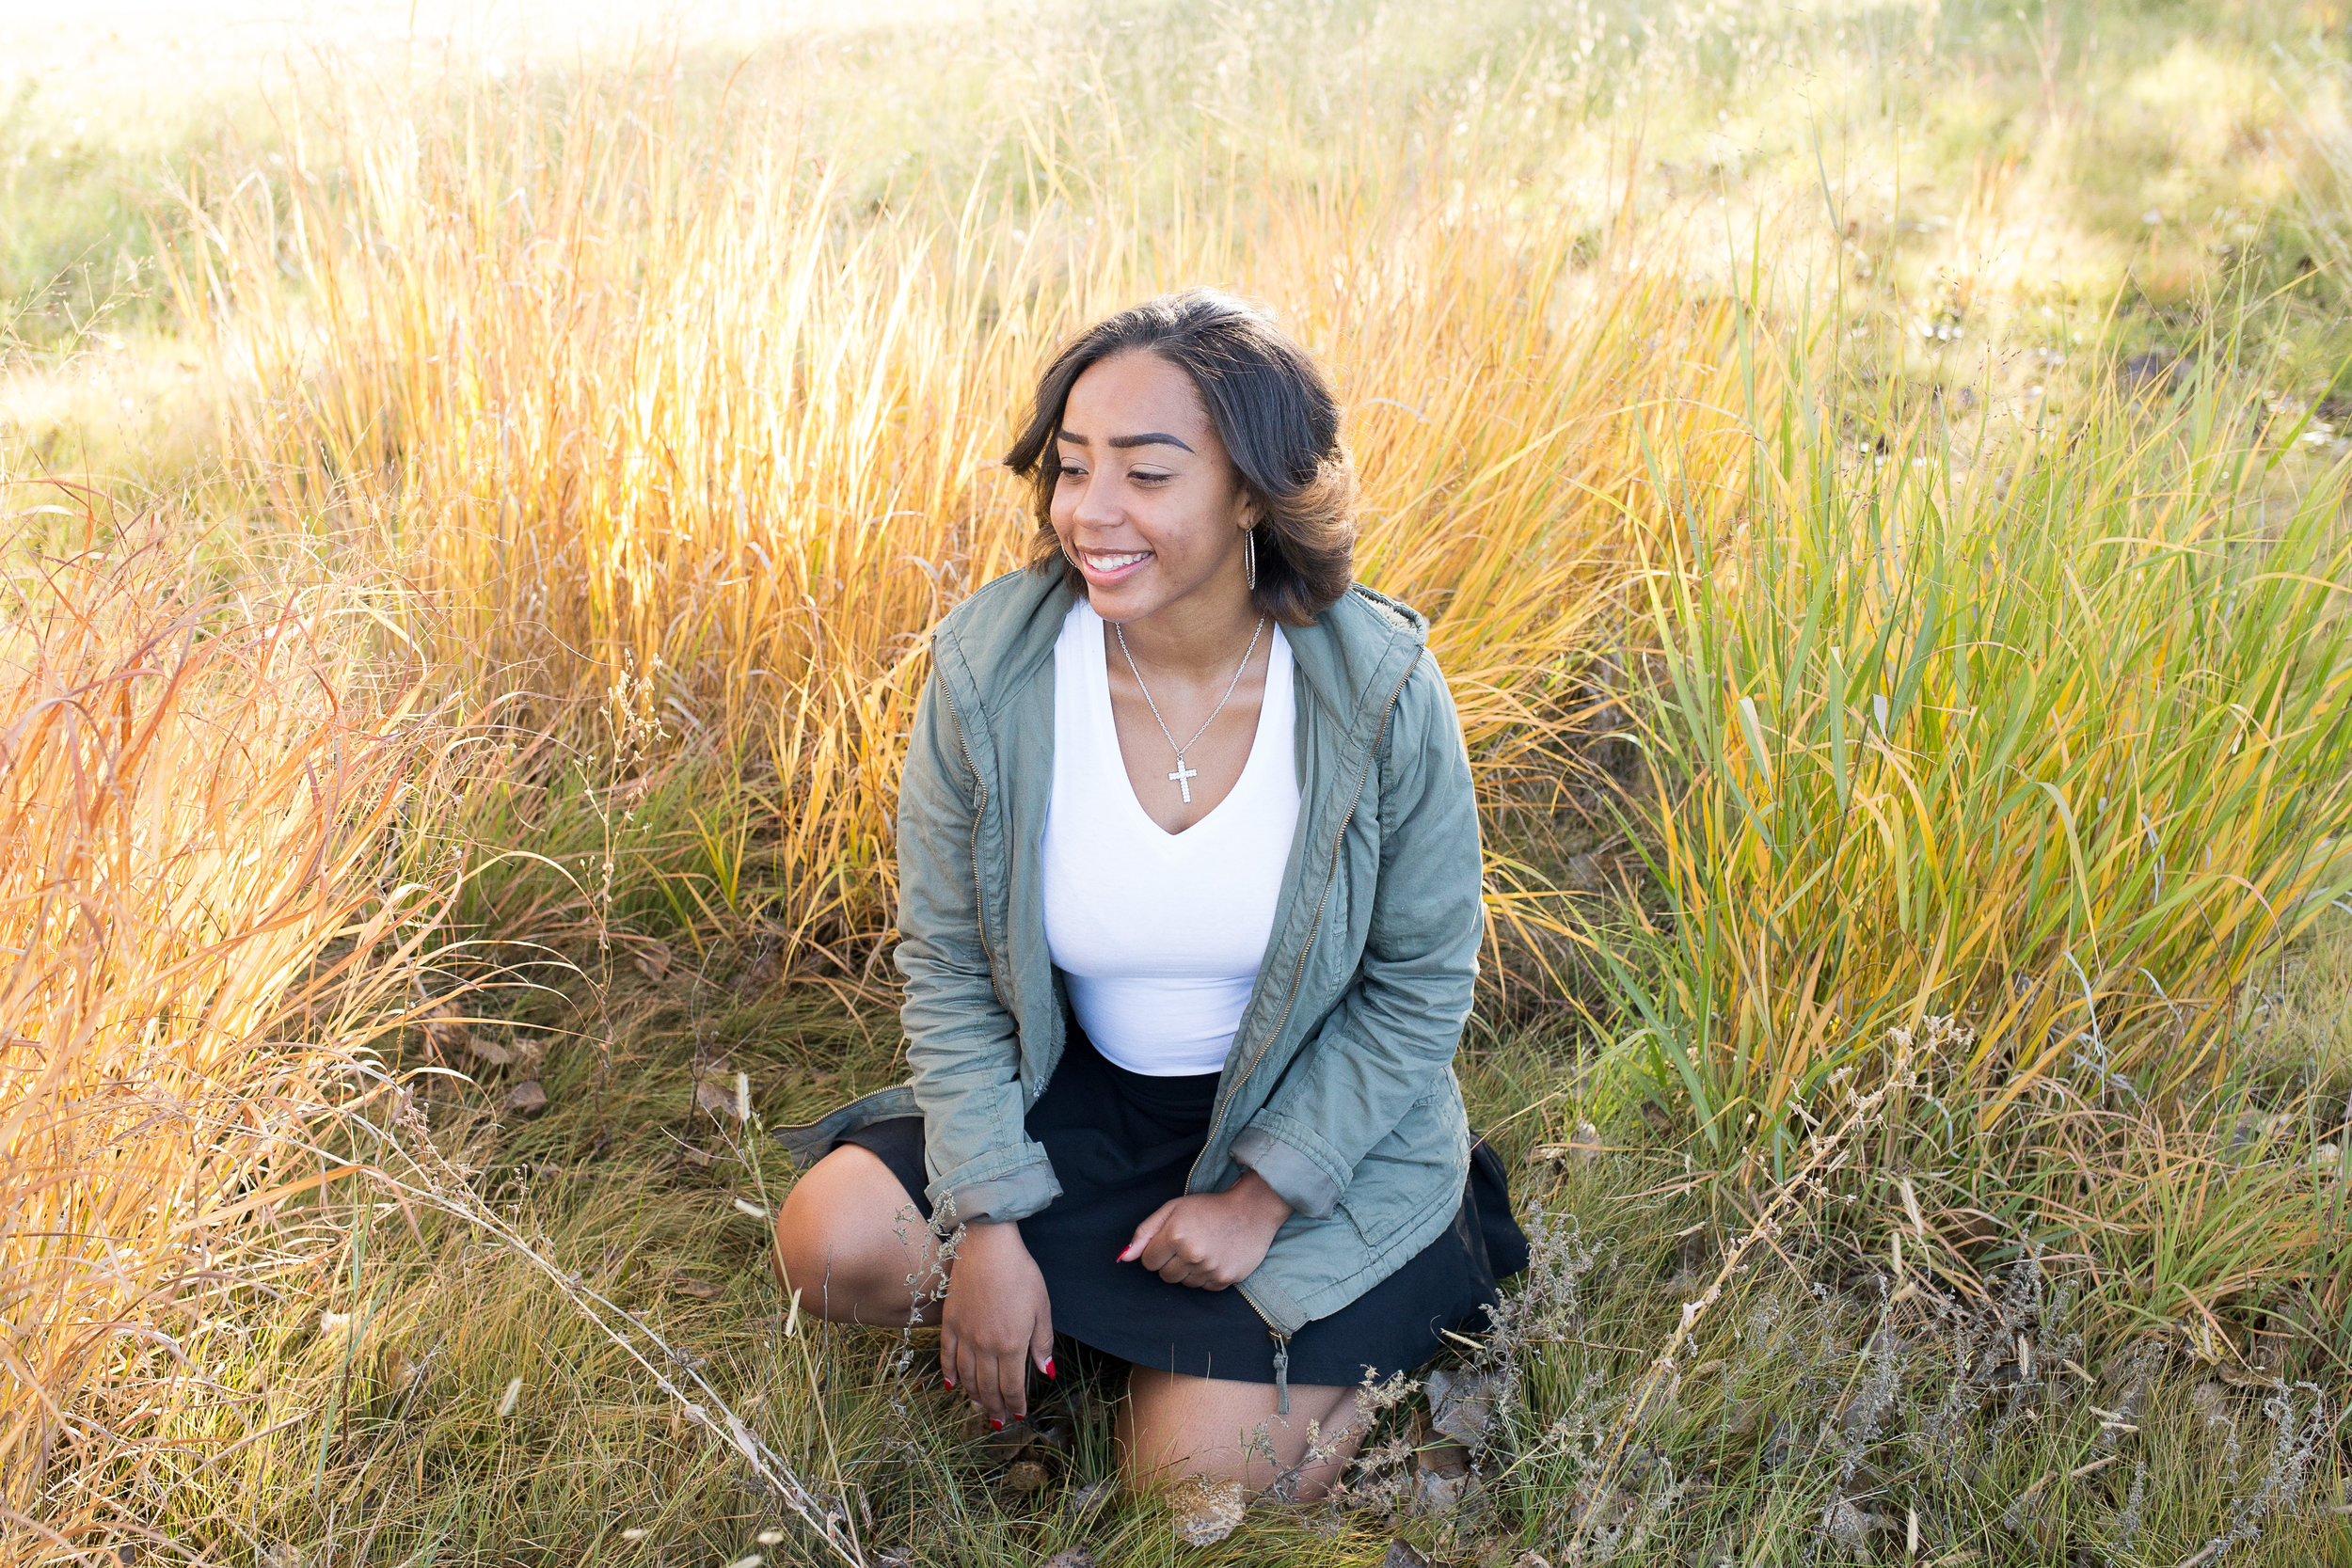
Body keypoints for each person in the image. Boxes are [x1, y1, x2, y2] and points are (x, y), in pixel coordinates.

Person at [771, 288, 1526, 1498]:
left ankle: (1329, 1326)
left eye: (1147, 473)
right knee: (834, 1241)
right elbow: (951, 966)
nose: (1093, 512)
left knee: (1188, 1491)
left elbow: (1419, 982)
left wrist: (1259, 1194)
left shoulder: (1377, 684)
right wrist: (991, 1221)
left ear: (1250, 491)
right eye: (1072, 469)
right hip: (1074, 1097)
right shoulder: (992, 671)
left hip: (1308, 1120)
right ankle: (1092, 1330)